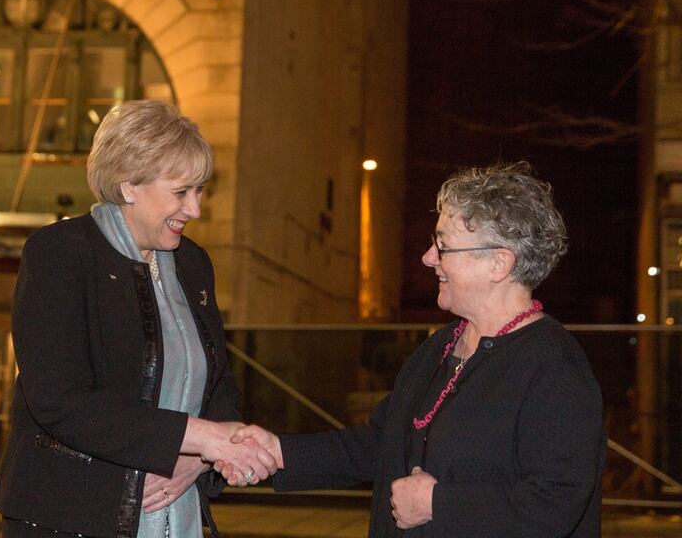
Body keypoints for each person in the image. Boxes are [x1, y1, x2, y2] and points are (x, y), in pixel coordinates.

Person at [227, 162, 605, 537]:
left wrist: (437, 505)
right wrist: (279, 452)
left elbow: (556, 502)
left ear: (498, 263)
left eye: (443, 247)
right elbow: (382, 443)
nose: (428, 258)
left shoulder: (554, 367)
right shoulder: (439, 347)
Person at [0, 99, 277, 538]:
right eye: (181, 192)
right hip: (69, 515)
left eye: (200, 190)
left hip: (175, 514)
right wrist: (199, 438)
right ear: (128, 186)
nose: (195, 209)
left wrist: (200, 460)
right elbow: (59, 399)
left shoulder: (193, 263)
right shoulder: (61, 253)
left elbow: (218, 382)